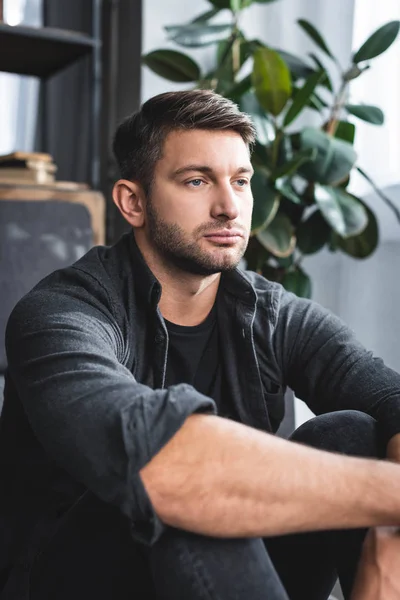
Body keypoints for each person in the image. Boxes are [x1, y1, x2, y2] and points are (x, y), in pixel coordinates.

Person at [1, 89, 400, 600]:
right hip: (74, 578)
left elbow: (389, 399)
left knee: (353, 433)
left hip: (220, 580)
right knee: (187, 488)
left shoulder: (270, 313)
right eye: (196, 180)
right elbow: (171, 470)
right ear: (133, 201)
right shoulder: (62, 313)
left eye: (241, 181)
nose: (228, 206)